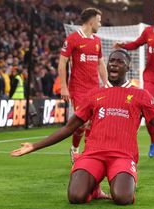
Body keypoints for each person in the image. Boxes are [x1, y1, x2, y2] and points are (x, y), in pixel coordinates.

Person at [11, 50, 154, 205]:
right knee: (75, 198)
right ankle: (93, 189)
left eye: (119, 62)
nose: (113, 64)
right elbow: (68, 128)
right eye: (111, 61)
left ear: (128, 67)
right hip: (93, 155)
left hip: (122, 157)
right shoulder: (95, 94)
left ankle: (115, 182)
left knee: (123, 199)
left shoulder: (141, 95)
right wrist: (34, 146)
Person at [113, 3, 154, 158]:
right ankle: (153, 141)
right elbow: (135, 44)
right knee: (148, 110)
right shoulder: (148, 31)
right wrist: (122, 46)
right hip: (150, 78)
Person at [58, 8, 108, 161]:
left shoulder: (97, 41)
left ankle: (87, 155)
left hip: (94, 88)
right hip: (78, 88)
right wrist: (64, 87)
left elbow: (100, 64)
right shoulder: (73, 39)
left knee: (93, 123)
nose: (100, 24)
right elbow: (62, 63)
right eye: (99, 21)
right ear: (91, 21)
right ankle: (75, 147)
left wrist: (106, 84)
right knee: (83, 122)